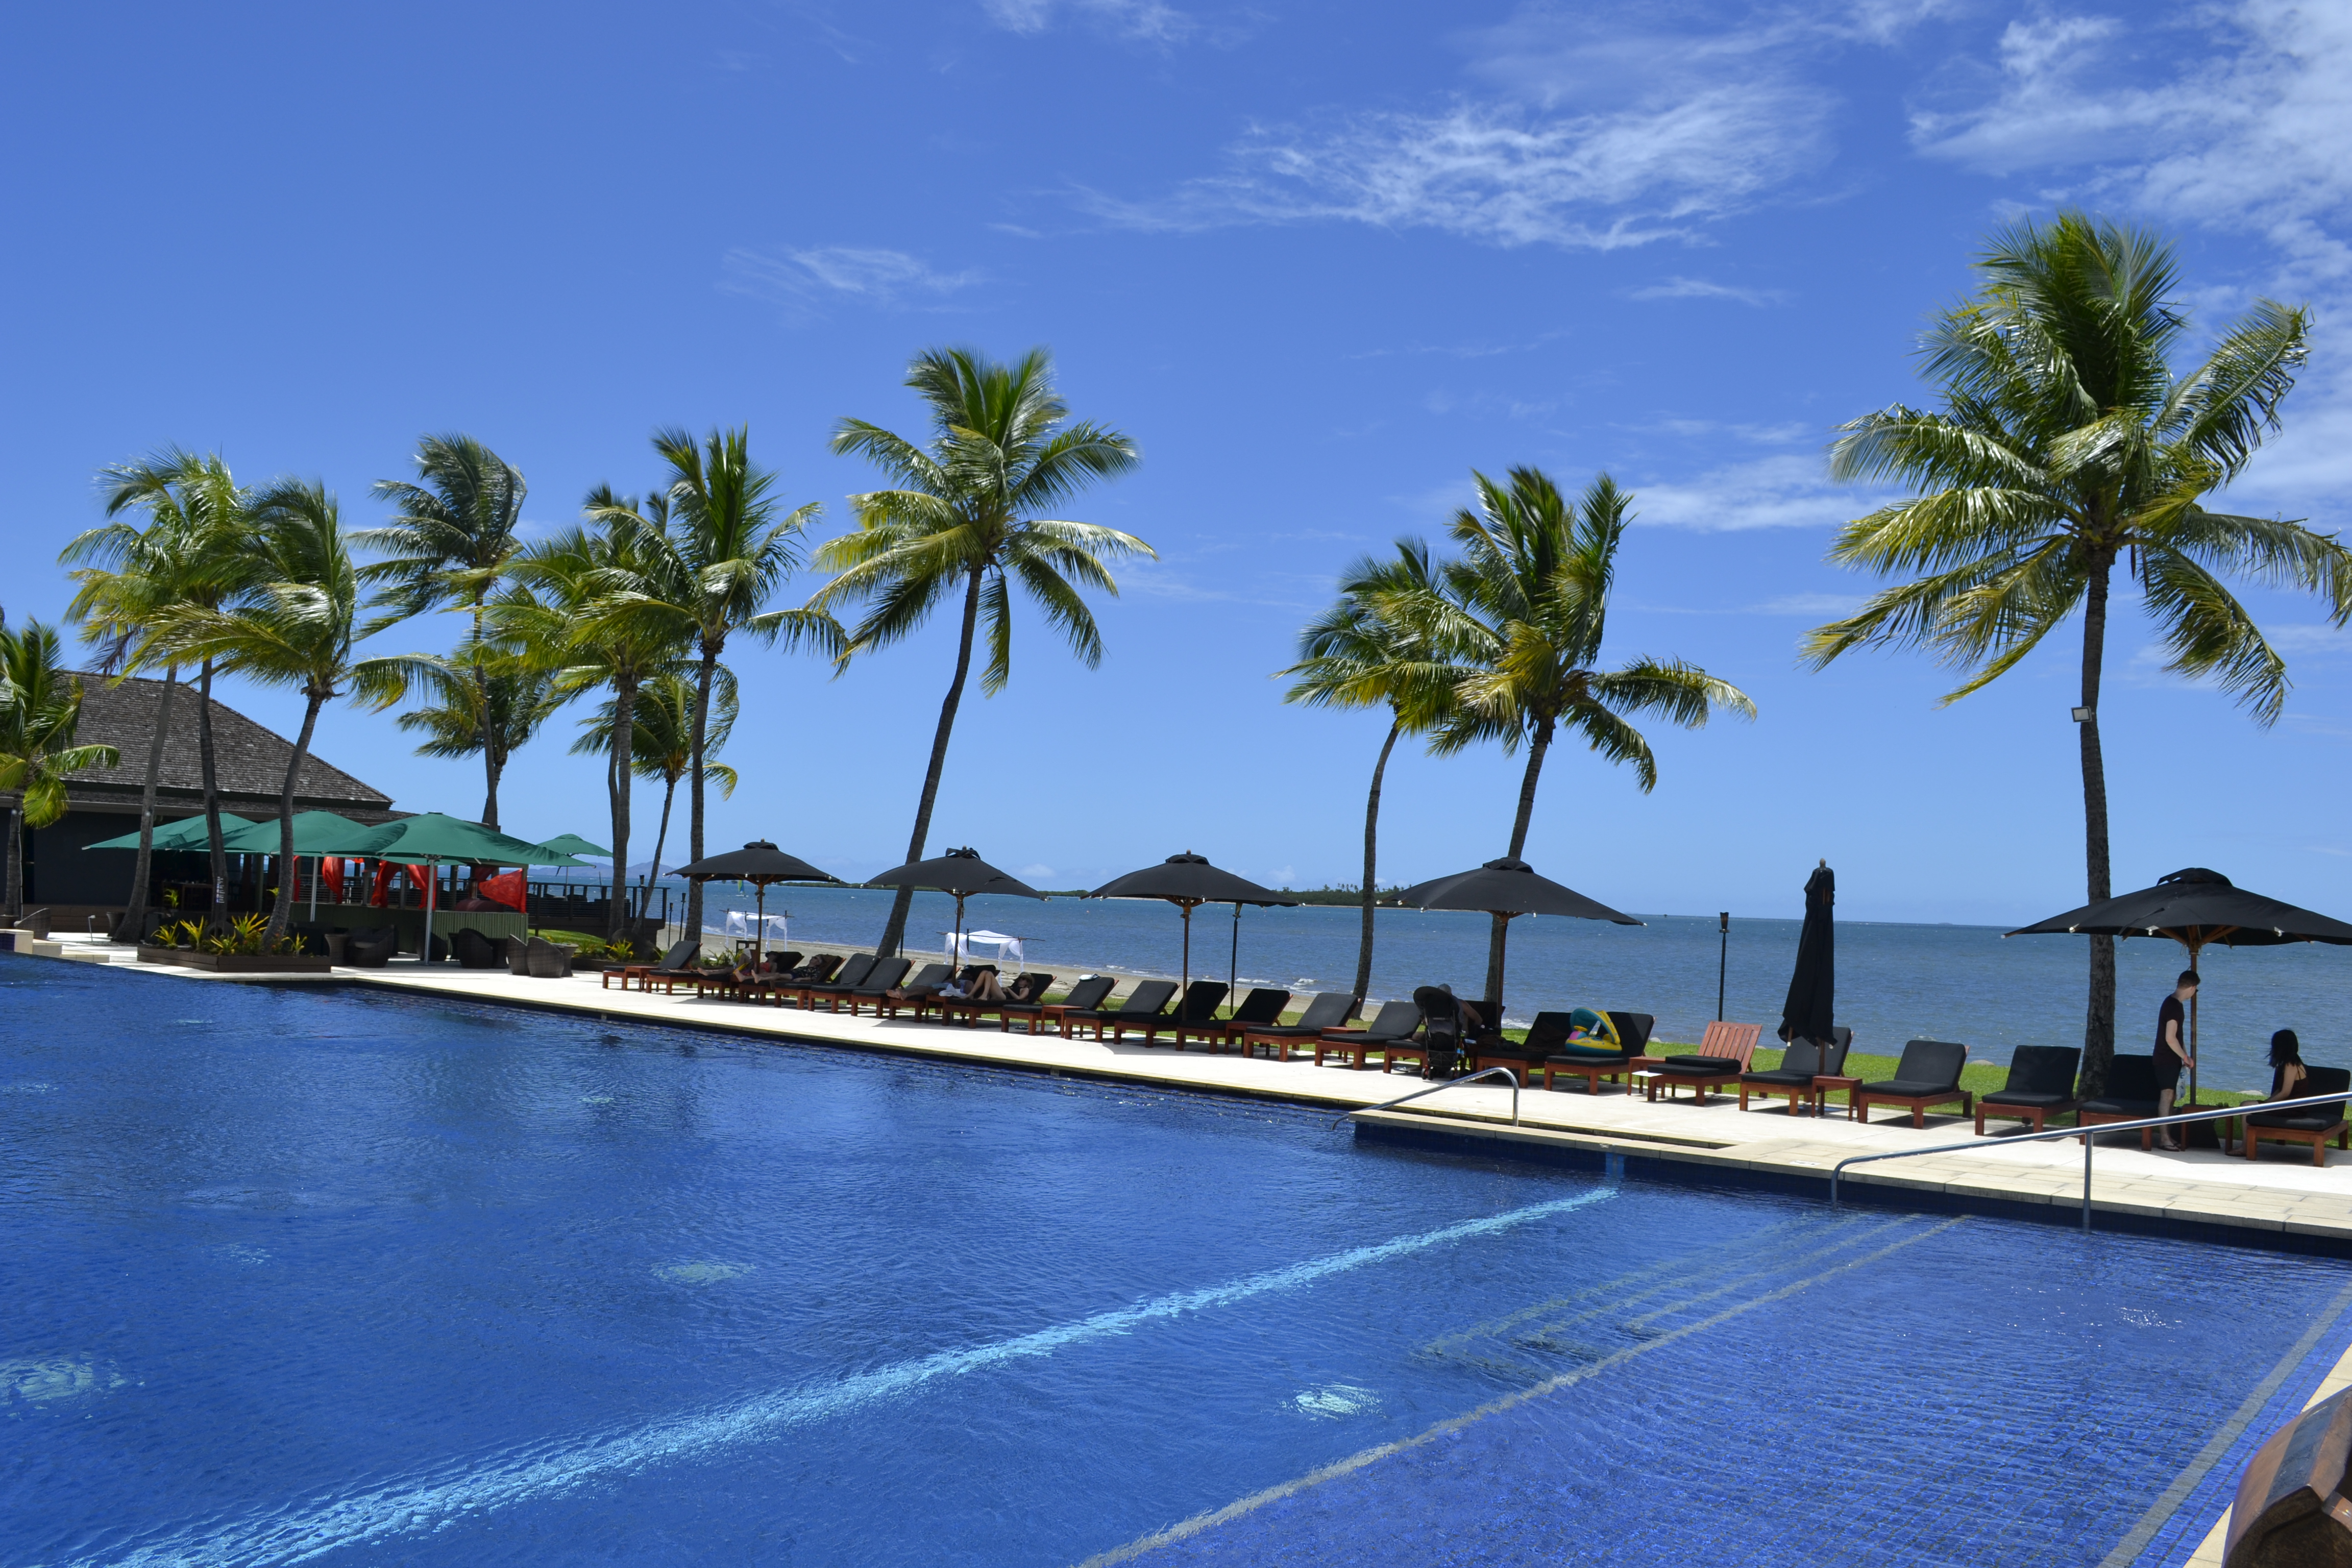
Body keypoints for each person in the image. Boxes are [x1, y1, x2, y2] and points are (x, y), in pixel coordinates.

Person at [2153, 969, 2198, 1150]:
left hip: (2172, 1059)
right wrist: (2184, 1056)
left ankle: (2168, 1137)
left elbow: (2178, 1038)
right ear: (2193, 988)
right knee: (2167, 1095)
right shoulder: (2174, 1007)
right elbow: (2170, 1038)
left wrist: (2185, 1056)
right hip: (2165, 1059)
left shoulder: (2174, 1004)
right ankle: (2164, 1138)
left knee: (2171, 1097)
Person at [2266, 1029, 2308, 1101]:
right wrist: (2267, 1101)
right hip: (2288, 1105)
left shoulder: (2291, 1065)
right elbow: (2280, 1089)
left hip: (2291, 1108)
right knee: (2247, 1105)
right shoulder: (2294, 1063)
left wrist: (2265, 1105)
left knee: (2246, 1105)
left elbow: (2285, 1093)